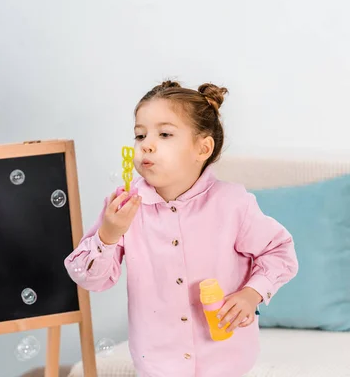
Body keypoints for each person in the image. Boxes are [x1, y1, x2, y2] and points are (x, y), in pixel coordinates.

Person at [64, 81, 299, 377]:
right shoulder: (124, 207)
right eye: (140, 135)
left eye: (164, 134)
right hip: (158, 364)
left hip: (226, 360)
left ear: (203, 148)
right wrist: (108, 235)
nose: (146, 144)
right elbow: (89, 280)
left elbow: (279, 251)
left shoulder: (232, 203)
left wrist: (252, 293)